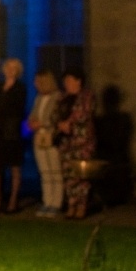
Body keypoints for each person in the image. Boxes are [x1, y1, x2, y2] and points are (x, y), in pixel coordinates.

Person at [0, 58, 27, 213]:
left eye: (13, 67)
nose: (10, 70)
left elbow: (17, 108)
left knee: (14, 167)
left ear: (17, 70)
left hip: (12, 132)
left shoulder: (20, 88)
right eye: (8, 67)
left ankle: (13, 201)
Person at [58, 69, 96, 220]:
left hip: (82, 141)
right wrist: (60, 124)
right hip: (66, 142)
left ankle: (82, 205)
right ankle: (71, 204)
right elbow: (55, 114)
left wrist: (70, 123)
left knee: (81, 173)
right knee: (68, 173)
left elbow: (84, 113)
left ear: (78, 80)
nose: (66, 84)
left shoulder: (87, 96)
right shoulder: (62, 98)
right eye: (65, 81)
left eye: (69, 80)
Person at [27, 71, 64, 218]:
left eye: (38, 81)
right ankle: (47, 201)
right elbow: (32, 115)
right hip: (39, 137)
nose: (35, 84)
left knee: (55, 170)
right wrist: (31, 124)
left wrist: (43, 123)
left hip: (51, 137)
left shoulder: (57, 97)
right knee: (45, 172)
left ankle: (57, 202)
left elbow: (56, 117)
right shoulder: (38, 98)